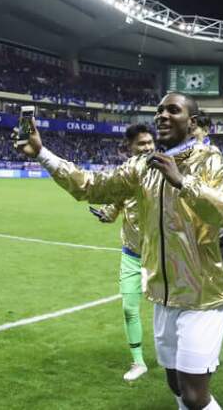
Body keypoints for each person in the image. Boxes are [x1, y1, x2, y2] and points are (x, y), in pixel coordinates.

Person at [15, 93, 223, 410]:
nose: (163, 115)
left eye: (173, 110)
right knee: (176, 386)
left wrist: (184, 182)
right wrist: (42, 153)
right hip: (162, 295)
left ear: (192, 122)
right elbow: (92, 185)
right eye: (159, 110)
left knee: (196, 395)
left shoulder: (212, 164)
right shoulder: (142, 167)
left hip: (203, 297)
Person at [88, 123, 156, 382]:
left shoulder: (163, 172)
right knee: (129, 308)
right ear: (129, 148)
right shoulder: (123, 178)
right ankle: (138, 362)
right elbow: (114, 207)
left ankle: (181, 359)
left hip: (159, 256)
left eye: (150, 142)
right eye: (141, 144)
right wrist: (105, 215)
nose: (147, 147)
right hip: (131, 253)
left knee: (170, 311)